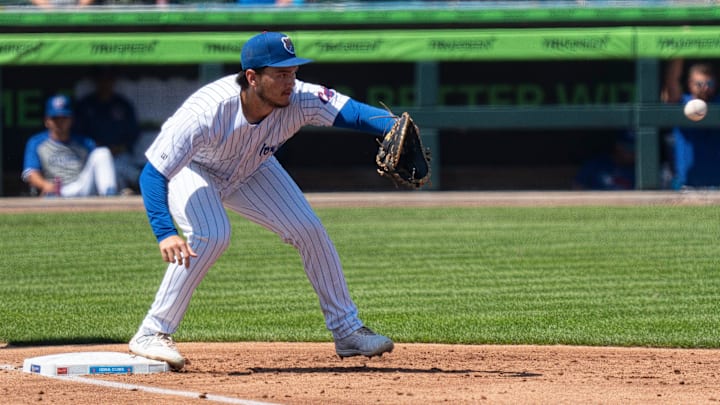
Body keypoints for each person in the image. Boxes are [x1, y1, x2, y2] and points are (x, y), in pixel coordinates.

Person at [128, 31, 397, 370]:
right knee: (213, 235)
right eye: (281, 73)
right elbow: (153, 174)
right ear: (253, 78)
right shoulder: (207, 111)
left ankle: (347, 332)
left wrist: (392, 125)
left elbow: (353, 112)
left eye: (293, 71)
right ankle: (152, 332)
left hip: (253, 166)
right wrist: (165, 232)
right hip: (194, 169)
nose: (290, 81)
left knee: (308, 229)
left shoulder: (301, 97)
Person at [22, 94, 118, 197]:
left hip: (82, 186)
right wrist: (45, 185)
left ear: (71, 120)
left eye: (64, 118)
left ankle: (110, 197)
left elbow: (100, 167)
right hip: (57, 190)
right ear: (47, 121)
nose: (60, 122)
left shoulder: (84, 142)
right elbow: (30, 173)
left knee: (102, 152)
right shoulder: (36, 142)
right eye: (55, 118)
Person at [74, 66, 142, 194]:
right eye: (102, 79)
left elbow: (133, 133)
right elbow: (77, 135)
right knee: (103, 157)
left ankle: (124, 191)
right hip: (92, 156)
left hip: (120, 154)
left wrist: (119, 148)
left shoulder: (122, 104)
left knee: (120, 167)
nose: (105, 83)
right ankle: (127, 188)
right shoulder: (85, 105)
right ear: (96, 81)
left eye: (108, 79)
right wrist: (94, 146)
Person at [662, 59, 720, 189]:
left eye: (709, 83)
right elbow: (672, 84)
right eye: (699, 83)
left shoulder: (718, 102)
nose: (704, 88)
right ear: (690, 83)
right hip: (686, 185)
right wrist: (680, 49)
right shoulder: (682, 101)